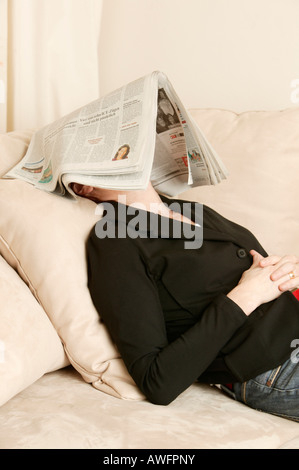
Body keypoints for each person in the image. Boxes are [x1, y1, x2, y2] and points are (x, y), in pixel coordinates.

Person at [72, 181, 299, 421]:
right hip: (276, 367)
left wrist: (289, 272)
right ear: (82, 186)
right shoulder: (114, 241)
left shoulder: (187, 210)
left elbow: (264, 273)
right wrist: (247, 295)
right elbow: (157, 382)